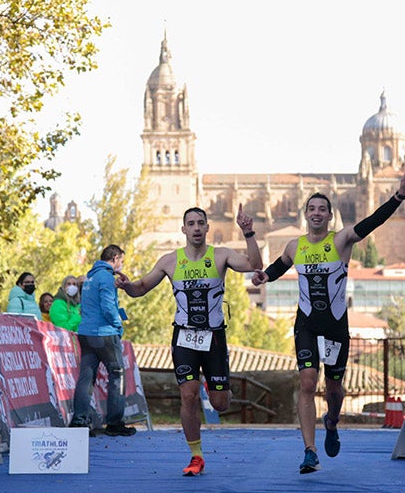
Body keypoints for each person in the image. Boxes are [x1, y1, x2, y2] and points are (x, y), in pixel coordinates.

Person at [252, 164, 405, 474]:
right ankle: (309, 451)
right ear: (305, 214)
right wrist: (266, 276)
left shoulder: (341, 240)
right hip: (306, 324)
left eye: (322, 209)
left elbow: (372, 222)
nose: (316, 213)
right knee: (306, 383)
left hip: (335, 326)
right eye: (311, 209)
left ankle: (332, 420)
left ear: (330, 215)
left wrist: (398, 196)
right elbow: (280, 264)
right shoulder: (294, 246)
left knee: (334, 389)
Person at [119, 204, 262, 476]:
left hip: (214, 337)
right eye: (191, 224)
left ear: (207, 228)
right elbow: (141, 288)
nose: (196, 228)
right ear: (183, 229)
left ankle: (218, 386)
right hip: (184, 336)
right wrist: (127, 286)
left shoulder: (220, 255)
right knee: (188, 395)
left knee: (220, 403)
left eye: (200, 223)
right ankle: (196, 456)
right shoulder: (169, 261)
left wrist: (248, 233)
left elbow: (255, 265)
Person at [72, 245, 136, 437]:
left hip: (86, 333)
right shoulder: (106, 277)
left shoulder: (90, 277)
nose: (121, 264)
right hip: (105, 333)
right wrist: (118, 325)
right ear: (115, 258)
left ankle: (79, 422)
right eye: (121, 261)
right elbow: (108, 307)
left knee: (86, 378)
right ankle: (114, 423)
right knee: (117, 375)